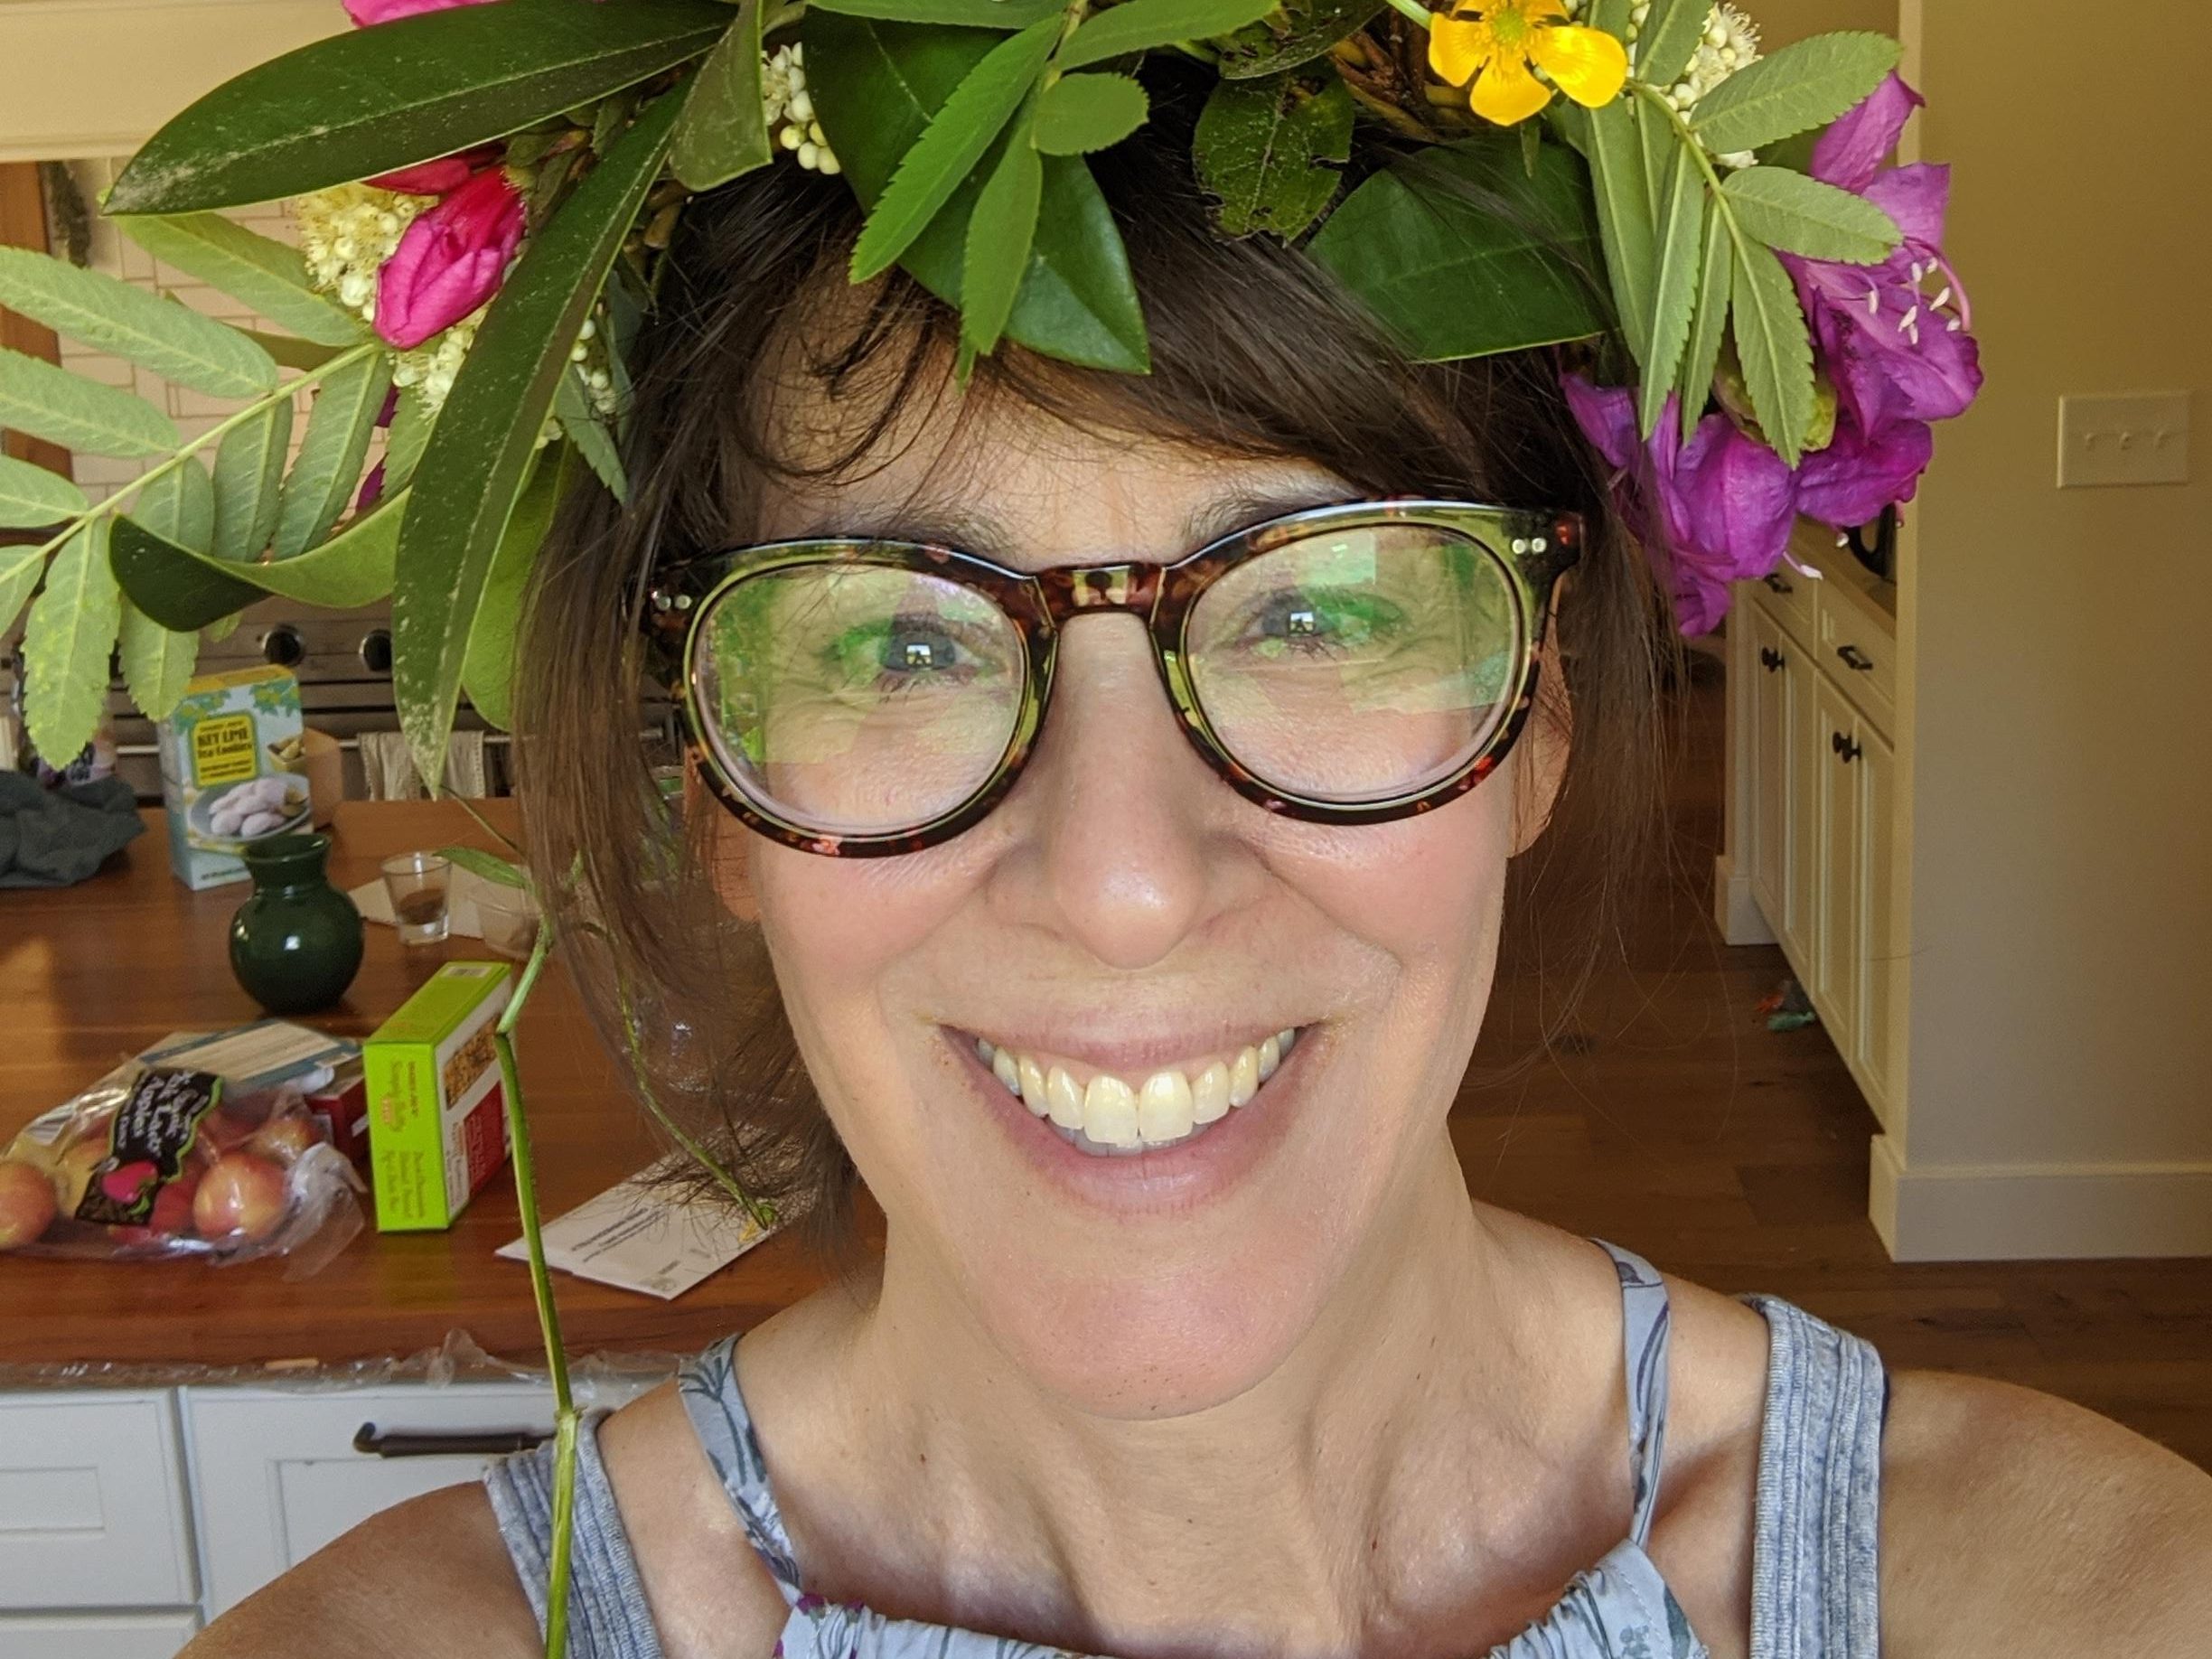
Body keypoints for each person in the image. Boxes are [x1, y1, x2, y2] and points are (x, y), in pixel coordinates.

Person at [185, 54, 2210, 1659]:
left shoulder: (2071, 1604)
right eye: (898, 636)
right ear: (717, 783)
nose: (1125, 879)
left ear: (1540, 726)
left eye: (1321, 609)